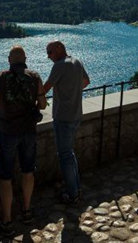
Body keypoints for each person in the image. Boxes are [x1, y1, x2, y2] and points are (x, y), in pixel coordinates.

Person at [0, 46, 47, 237]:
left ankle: (7, 220)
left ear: (9, 59)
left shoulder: (0, 77)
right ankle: (26, 211)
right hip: (28, 132)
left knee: (5, 177)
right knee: (28, 172)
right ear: (25, 59)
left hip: (8, 132)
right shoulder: (34, 77)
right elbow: (42, 104)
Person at [43, 40, 90, 204]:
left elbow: (45, 88)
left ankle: (73, 194)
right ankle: (76, 188)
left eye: (50, 52)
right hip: (76, 115)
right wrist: (73, 92)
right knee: (70, 153)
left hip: (63, 117)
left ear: (59, 48)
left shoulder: (60, 65)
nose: (48, 56)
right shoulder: (77, 61)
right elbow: (86, 81)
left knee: (65, 156)